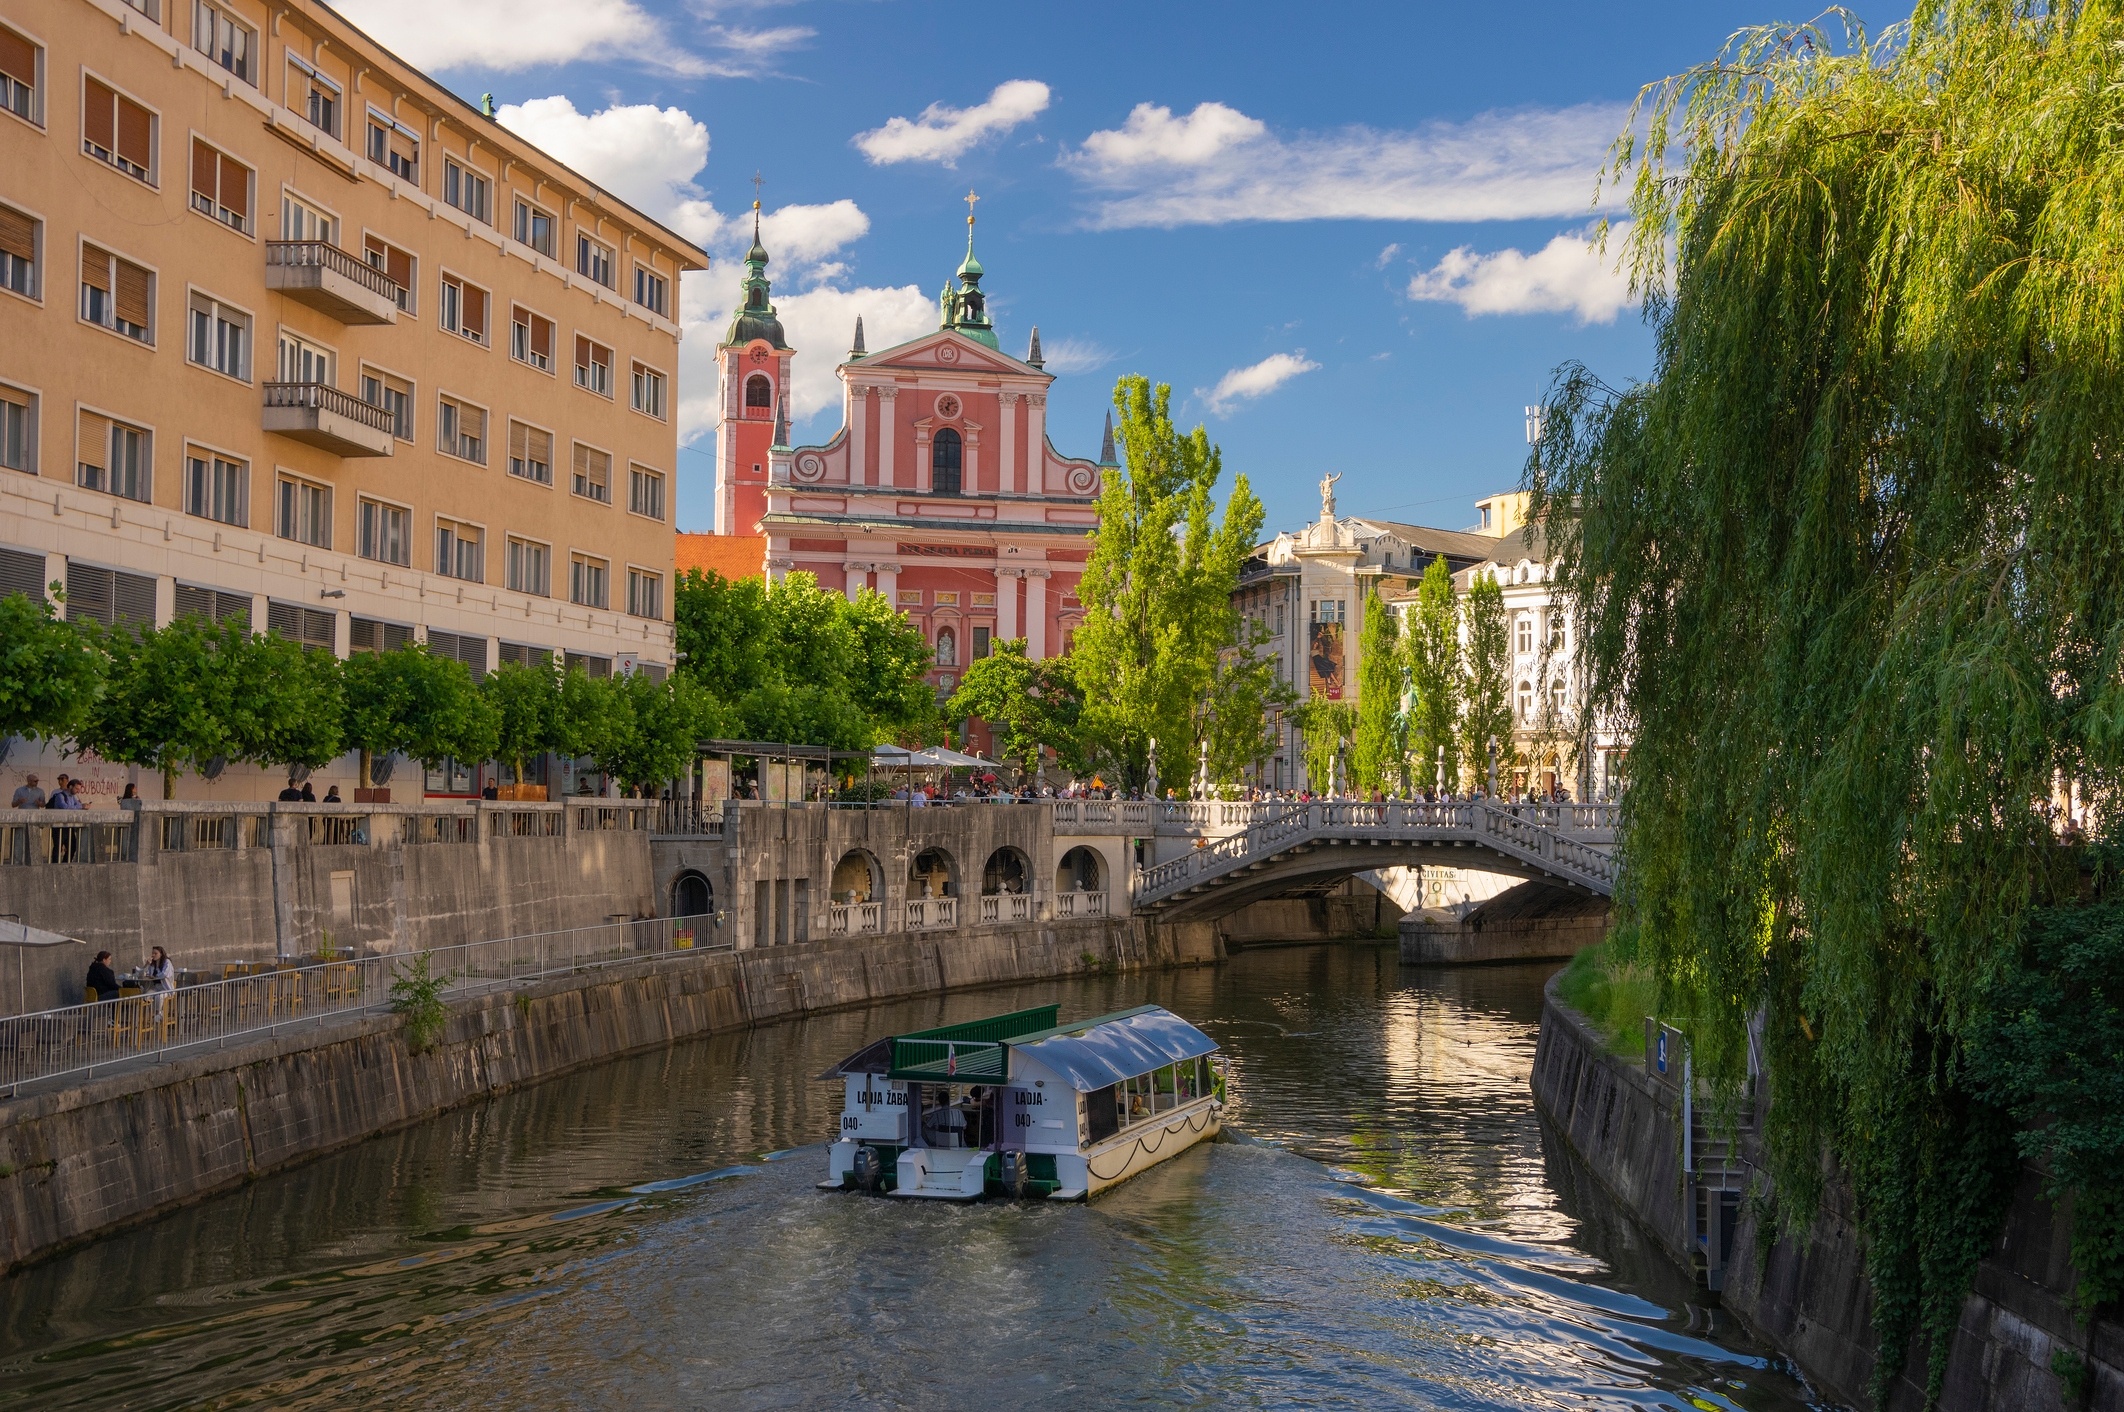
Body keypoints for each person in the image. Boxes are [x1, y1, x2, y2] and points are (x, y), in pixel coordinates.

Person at [142, 946, 177, 1017]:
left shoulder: (167, 962)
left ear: (161, 954)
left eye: (155, 953)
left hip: (166, 988)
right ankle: (149, 1014)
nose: (153, 955)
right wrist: (147, 964)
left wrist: (155, 976)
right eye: (152, 953)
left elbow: (165, 974)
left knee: (159, 996)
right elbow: (146, 973)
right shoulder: (152, 964)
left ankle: (158, 1013)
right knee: (146, 996)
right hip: (156, 987)